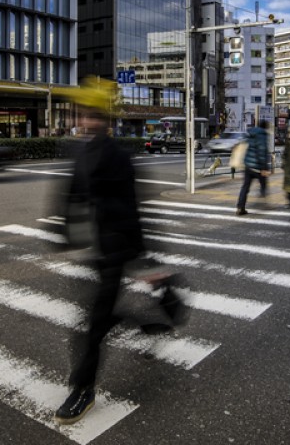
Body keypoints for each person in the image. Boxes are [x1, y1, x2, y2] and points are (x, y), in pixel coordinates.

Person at [54, 77, 183, 425]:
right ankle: (148, 325)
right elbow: (71, 192)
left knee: (92, 326)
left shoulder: (118, 157)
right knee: (100, 318)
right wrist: (62, 229)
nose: (88, 122)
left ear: (106, 120)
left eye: (95, 116)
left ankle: (83, 389)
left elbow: (136, 210)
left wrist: (148, 258)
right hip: (100, 250)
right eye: (84, 115)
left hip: (121, 248)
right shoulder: (82, 150)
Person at [236, 120, 272, 215]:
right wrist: (264, 167)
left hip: (248, 165)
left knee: (245, 187)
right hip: (258, 167)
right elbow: (262, 151)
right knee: (264, 184)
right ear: (265, 127)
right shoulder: (262, 135)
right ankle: (264, 203)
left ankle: (240, 207)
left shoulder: (251, 133)